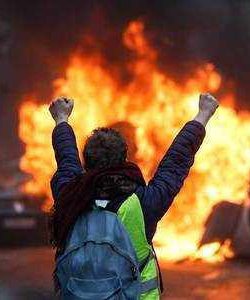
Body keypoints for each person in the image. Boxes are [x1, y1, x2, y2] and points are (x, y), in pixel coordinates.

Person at [48, 93, 219, 299]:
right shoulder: (142, 202)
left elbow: (66, 158)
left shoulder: (70, 196)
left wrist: (61, 120)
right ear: (124, 159)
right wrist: (203, 114)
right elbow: (176, 162)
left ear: (86, 162)